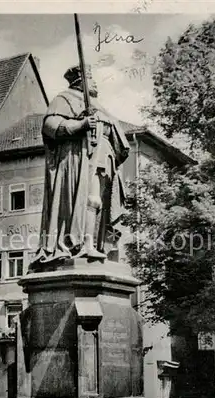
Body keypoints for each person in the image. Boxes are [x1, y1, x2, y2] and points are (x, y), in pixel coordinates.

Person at [31, 64, 130, 268]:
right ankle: (84, 245)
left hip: (104, 157)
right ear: (79, 81)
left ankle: (95, 244)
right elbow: (51, 126)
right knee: (90, 200)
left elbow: (119, 138)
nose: (94, 82)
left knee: (100, 204)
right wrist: (81, 125)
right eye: (90, 78)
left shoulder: (98, 105)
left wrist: (106, 127)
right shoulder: (64, 99)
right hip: (79, 158)